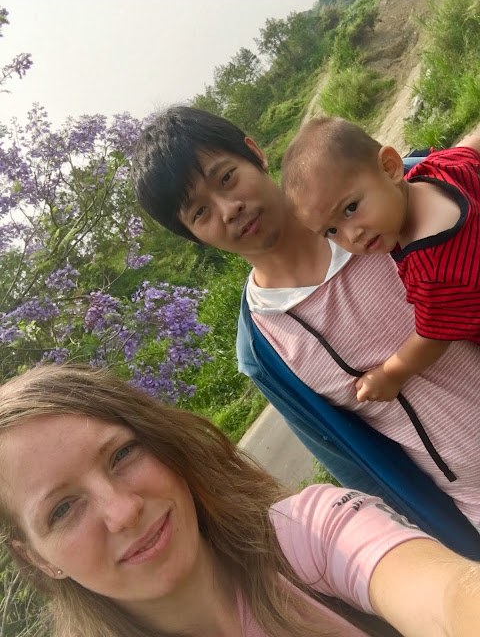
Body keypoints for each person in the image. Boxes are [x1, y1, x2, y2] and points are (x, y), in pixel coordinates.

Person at [131, 106, 480, 557]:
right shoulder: (264, 346)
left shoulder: (393, 202)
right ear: (194, 237)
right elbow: (355, 466)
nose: (229, 208)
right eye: (200, 212)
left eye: (226, 178)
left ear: (255, 154)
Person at [1, 363, 480, 637]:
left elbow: (448, 596)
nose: (123, 511)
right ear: (36, 557)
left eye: (123, 454)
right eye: (62, 509)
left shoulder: (305, 534)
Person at [281, 116, 480, 403]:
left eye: (350, 208)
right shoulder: (436, 169)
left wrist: (390, 374)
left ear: (389, 167)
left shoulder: (432, 265)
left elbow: (432, 337)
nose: (352, 235)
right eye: (332, 231)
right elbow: (470, 146)